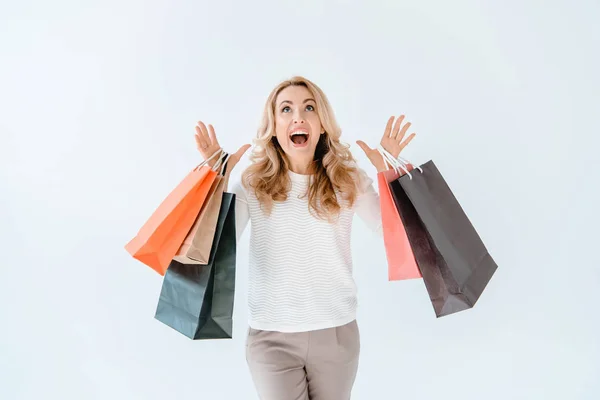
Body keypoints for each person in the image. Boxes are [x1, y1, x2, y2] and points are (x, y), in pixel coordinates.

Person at [193, 76, 415, 400]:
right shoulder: (253, 185)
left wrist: (388, 175)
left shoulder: (348, 179)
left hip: (337, 335)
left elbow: (394, 235)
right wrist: (216, 180)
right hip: (271, 340)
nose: (298, 116)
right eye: (286, 109)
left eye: (309, 107)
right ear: (274, 127)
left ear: (322, 124)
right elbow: (213, 246)